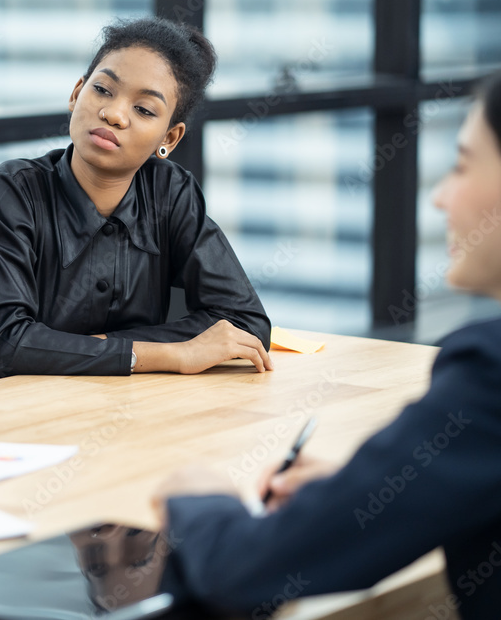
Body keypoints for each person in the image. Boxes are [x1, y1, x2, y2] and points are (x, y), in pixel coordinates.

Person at [153, 72, 501, 619]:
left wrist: (200, 499)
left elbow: (245, 571)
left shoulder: (490, 371)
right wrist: (354, 494)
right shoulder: (20, 188)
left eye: (461, 165)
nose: (440, 197)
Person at [0, 17, 272, 383]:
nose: (113, 114)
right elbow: (3, 344)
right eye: (102, 90)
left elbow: (245, 323)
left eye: (143, 110)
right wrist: (172, 353)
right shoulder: (14, 189)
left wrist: (79, 349)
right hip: (18, 416)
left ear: (170, 138)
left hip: (130, 409)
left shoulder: (171, 192)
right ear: (76, 93)